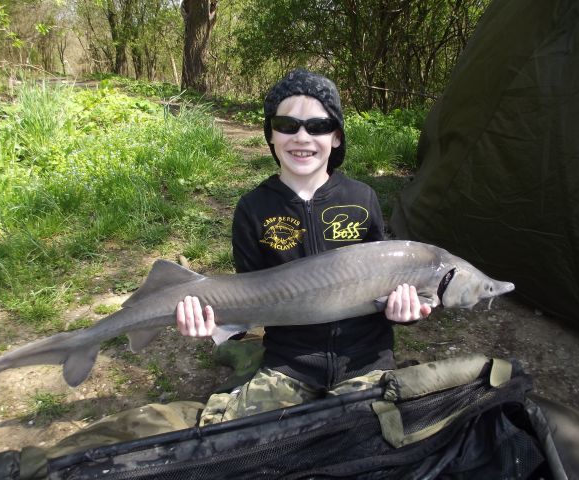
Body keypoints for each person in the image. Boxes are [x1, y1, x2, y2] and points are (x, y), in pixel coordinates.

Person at [176, 69, 431, 423]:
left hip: (366, 360)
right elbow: (248, 295)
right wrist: (214, 323)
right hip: (289, 363)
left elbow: (391, 283)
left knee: (365, 440)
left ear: (337, 137)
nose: (302, 136)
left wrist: (405, 312)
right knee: (244, 446)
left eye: (317, 126)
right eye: (287, 124)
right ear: (271, 133)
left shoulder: (363, 198)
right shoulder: (253, 208)